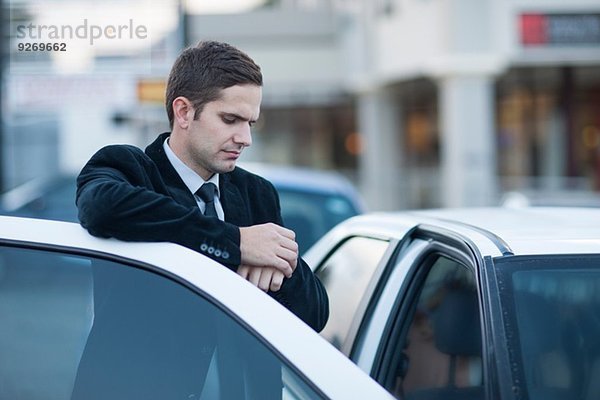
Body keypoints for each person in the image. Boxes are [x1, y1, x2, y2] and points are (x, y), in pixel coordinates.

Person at [75, 40, 328, 332]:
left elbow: (314, 316)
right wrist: (236, 243)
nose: (245, 138)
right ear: (183, 112)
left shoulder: (257, 193)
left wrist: (281, 261)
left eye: (251, 123)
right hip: (141, 378)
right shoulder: (128, 167)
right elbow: (101, 208)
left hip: (240, 378)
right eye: (230, 119)